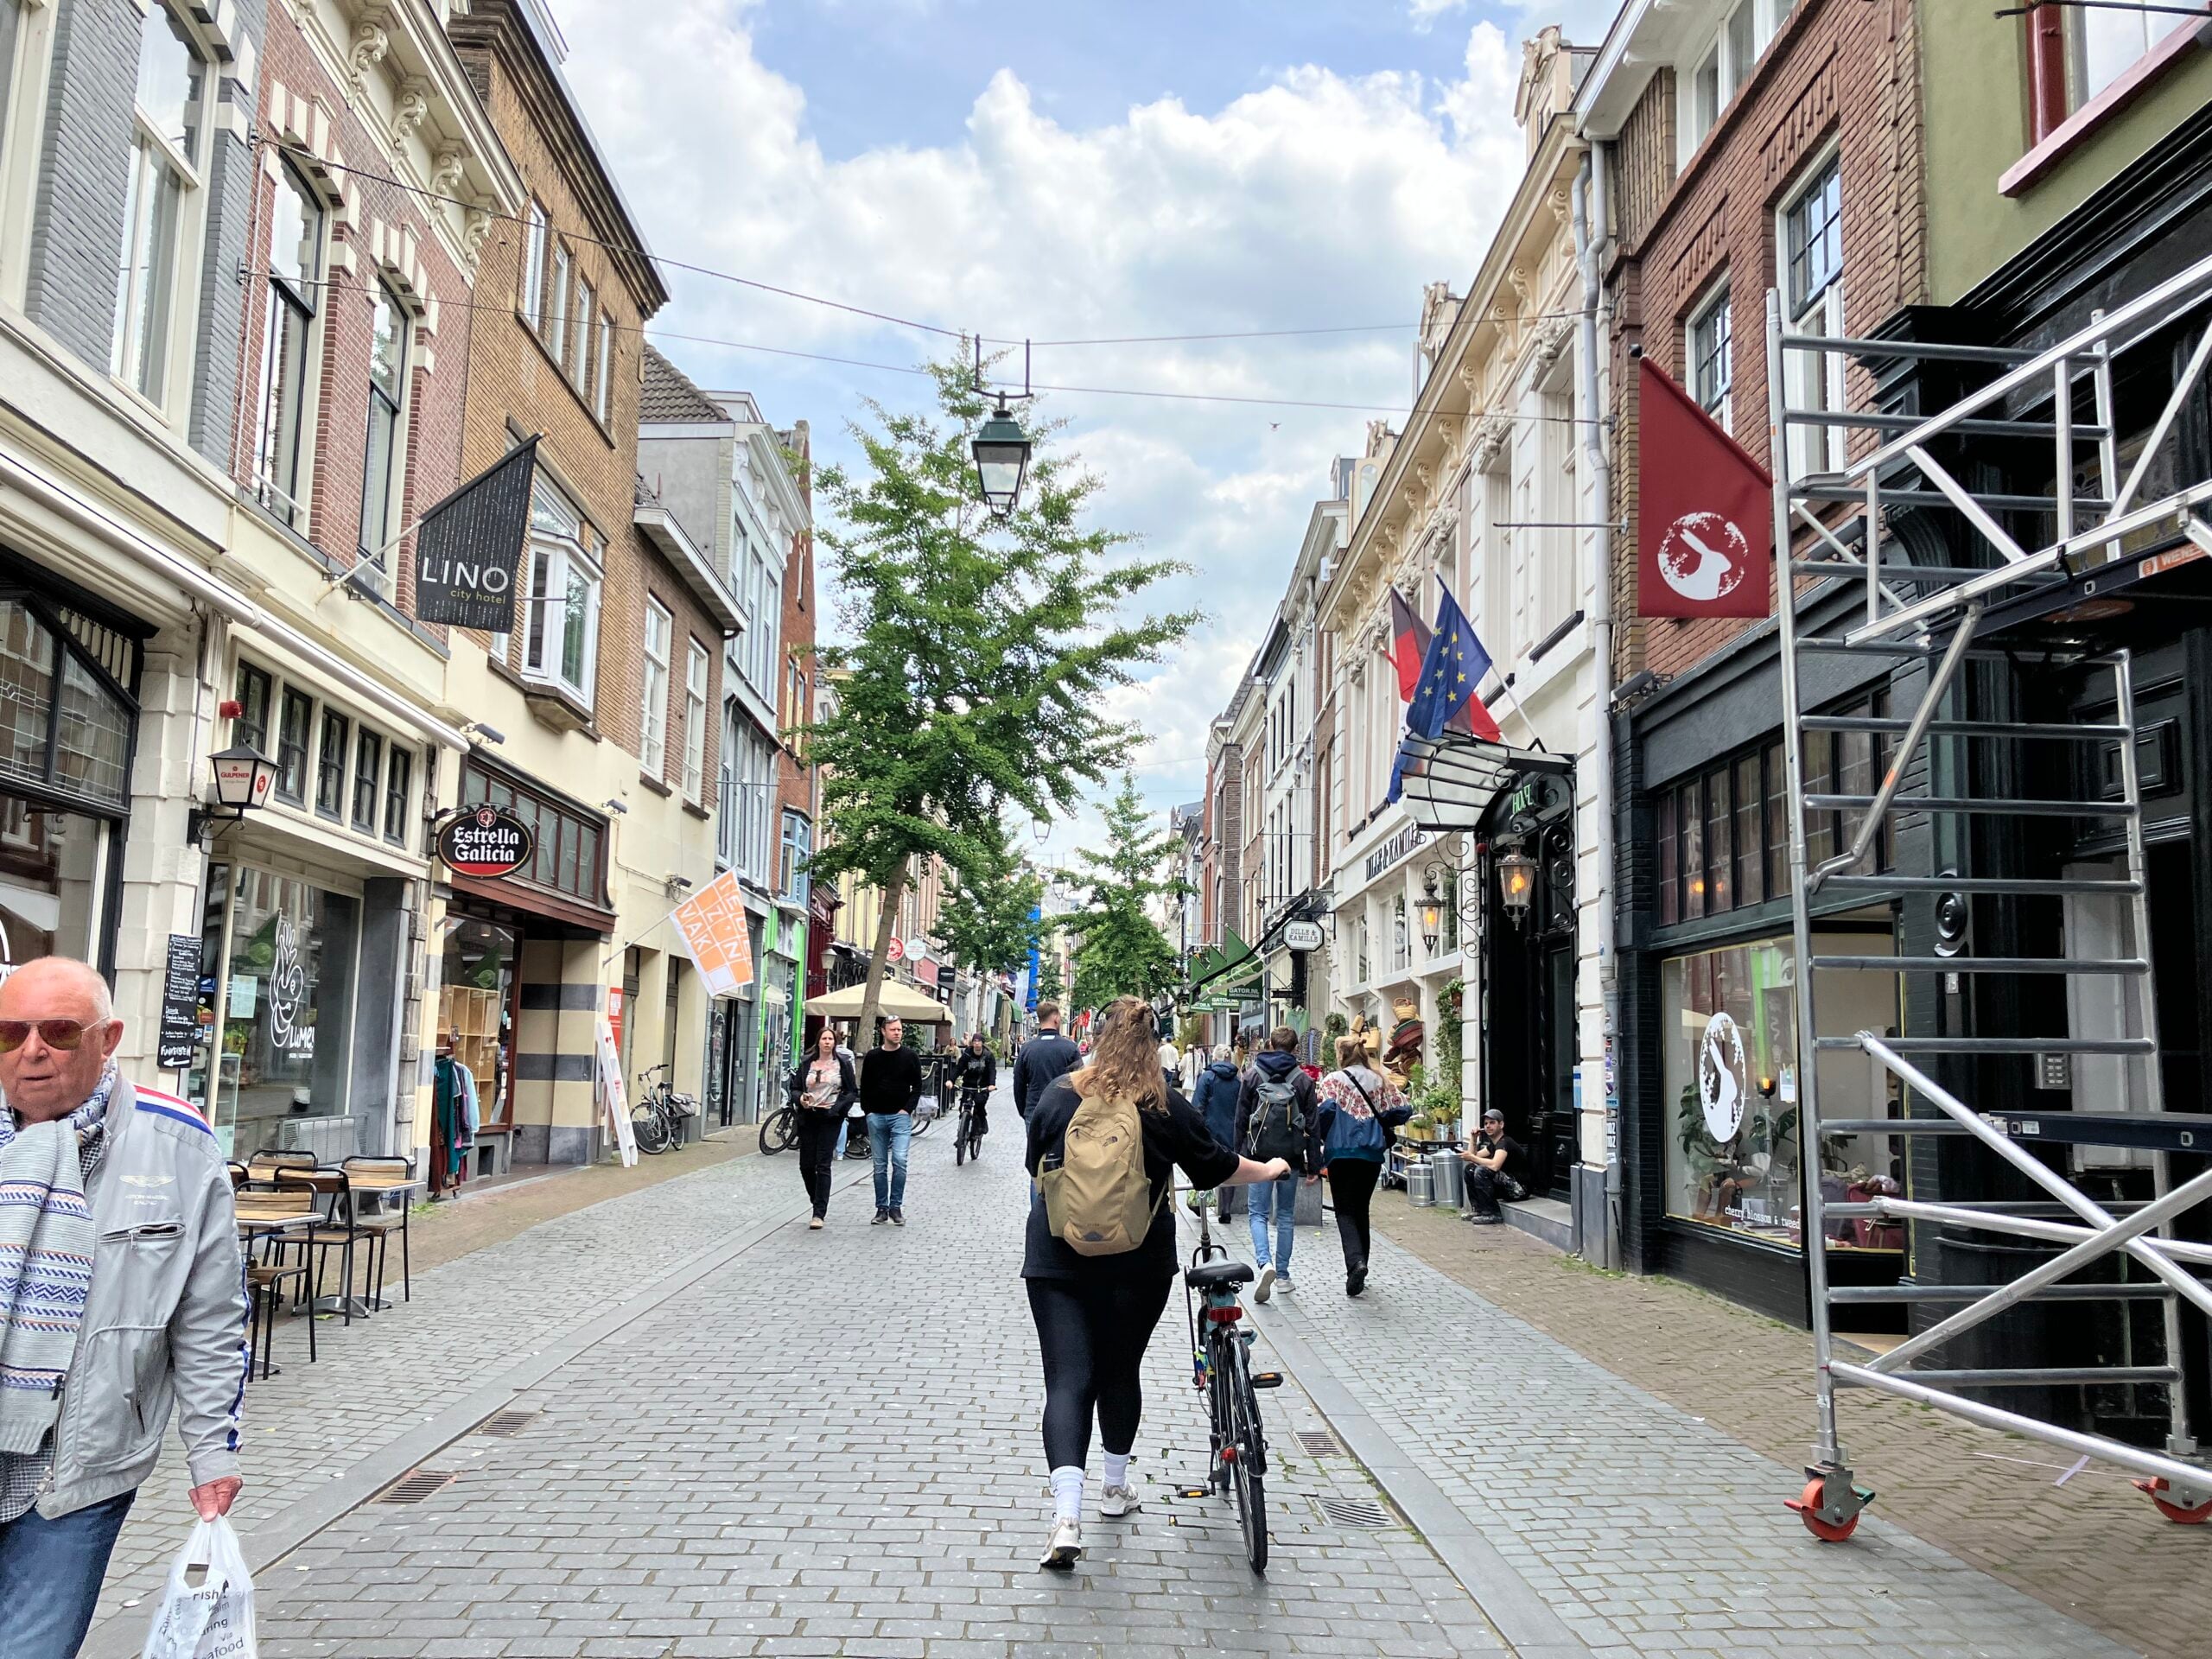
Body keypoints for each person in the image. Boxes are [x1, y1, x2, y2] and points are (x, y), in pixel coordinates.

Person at [0, 957, 248, 1659]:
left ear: (108, 1040)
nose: (32, 1051)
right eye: (10, 1033)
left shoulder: (177, 1144)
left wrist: (212, 1450)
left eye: (59, 1032)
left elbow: (209, 1313)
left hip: (81, 1467)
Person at [1023, 996, 1291, 1570]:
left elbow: (1034, 1163)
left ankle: (1065, 1517)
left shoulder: (1061, 1094)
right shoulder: (1162, 1101)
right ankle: (1114, 1487)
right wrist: (1269, 1169)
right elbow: (1215, 1167)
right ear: (1152, 1043)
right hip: (1138, 1262)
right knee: (1119, 1371)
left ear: (1098, 1037)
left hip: (1056, 1258)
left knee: (1067, 1381)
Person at [1312, 1034, 1412, 1296]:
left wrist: (1325, 1136)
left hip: (1341, 1152)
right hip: (1371, 1154)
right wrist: (1379, 1120)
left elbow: (1323, 1112)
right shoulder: (1379, 1079)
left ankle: (1356, 1263)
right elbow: (1403, 1109)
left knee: (1344, 1210)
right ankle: (1361, 1265)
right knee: (1361, 1209)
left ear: (1341, 1055)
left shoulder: (1333, 1080)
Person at [1235, 1025, 1318, 1303]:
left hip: (1258, 1157)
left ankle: (1264, 1263)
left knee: (1257, 1213)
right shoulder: (1303, 1081)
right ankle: (1282, 1276)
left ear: (1269, 1044)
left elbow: (1240, 1119)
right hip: (1290, 1159)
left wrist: (1237, 1156)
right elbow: (1313, 1126)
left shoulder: (1252, 1075)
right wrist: (1314, 1165)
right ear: (1295, 1049)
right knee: (1285, 1215)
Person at [787, 1027, 858, 1228]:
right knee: (806, 1165)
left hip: (830, 1117)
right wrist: (800, 1098)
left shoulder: (842, 1064)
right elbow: (795, 1088)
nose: (827, 1042)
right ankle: (816, 1198)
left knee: (823, 1164)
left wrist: (838, 1109)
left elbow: (851, 1092)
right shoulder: (806, 1062)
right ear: (818, 1041)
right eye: (824, 1039)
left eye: (830, 1039)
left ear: (835, 1043)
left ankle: (819, 1213)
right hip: (809, 1116)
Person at [859, 1016, 924, 1224]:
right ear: (883, 1031)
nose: (897, 1033)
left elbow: (918, 1087)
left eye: (900, 1030)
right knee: (879, 1165)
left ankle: (896, 1207)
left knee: (900, 1160)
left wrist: (907, 1110)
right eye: (893, 1029)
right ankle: (881, 1208)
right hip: (876, 1116)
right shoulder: (873, 1057)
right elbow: (865, 1086)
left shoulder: (910, 1056)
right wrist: (868, 1111)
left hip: (900, 1117)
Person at [1188, 1046, 1243, 1221]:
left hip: (1209, 1131)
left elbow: (1197, 1106)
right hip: (1231, 1132)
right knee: (1230, 1169)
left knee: (1205, 1167)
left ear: (1214, 1057)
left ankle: (1200, 1204)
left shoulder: (1207, 1078)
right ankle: (1226, 1210)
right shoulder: (1237, 1081)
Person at [1012, 1001, 1080, 1120]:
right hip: (1063, 1111)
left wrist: (1024, 1110)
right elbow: (1080, 1081)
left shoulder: (1027, 1048)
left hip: (1034, 1109)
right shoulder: (1070, 1048)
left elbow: (1019, 1083)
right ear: (1056, 1018)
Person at [1460, 1107, 1529, 1224]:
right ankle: (1478, 1210)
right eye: (1486, 1123)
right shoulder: (1493, 1145)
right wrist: (1473, 1138)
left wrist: (1472, 1158)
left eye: (1492, 1123)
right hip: (1506, 1187)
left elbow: (1495, 1165)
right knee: (1470, 1169)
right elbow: (1473, 1156)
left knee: (1482, 1171)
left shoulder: (1505, 1142)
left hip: (1519, 1190)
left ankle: (1492, 1214)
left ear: (1501, 1125)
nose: (1488, 1126)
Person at [956, 1031, 997, 1142]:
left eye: (979, 1041)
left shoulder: (988, 1056)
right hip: (968, 1084)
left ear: (982, 1043)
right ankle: (961, 1133)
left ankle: (981, 1123)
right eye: (975, 1041)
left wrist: (992, 1084)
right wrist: (951, 1080)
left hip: (982, 1086)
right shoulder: (967, 1054)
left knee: (979, 1104)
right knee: (964, 1106)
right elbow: (959, 1068)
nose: (977, 1043)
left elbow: (992, 1071)